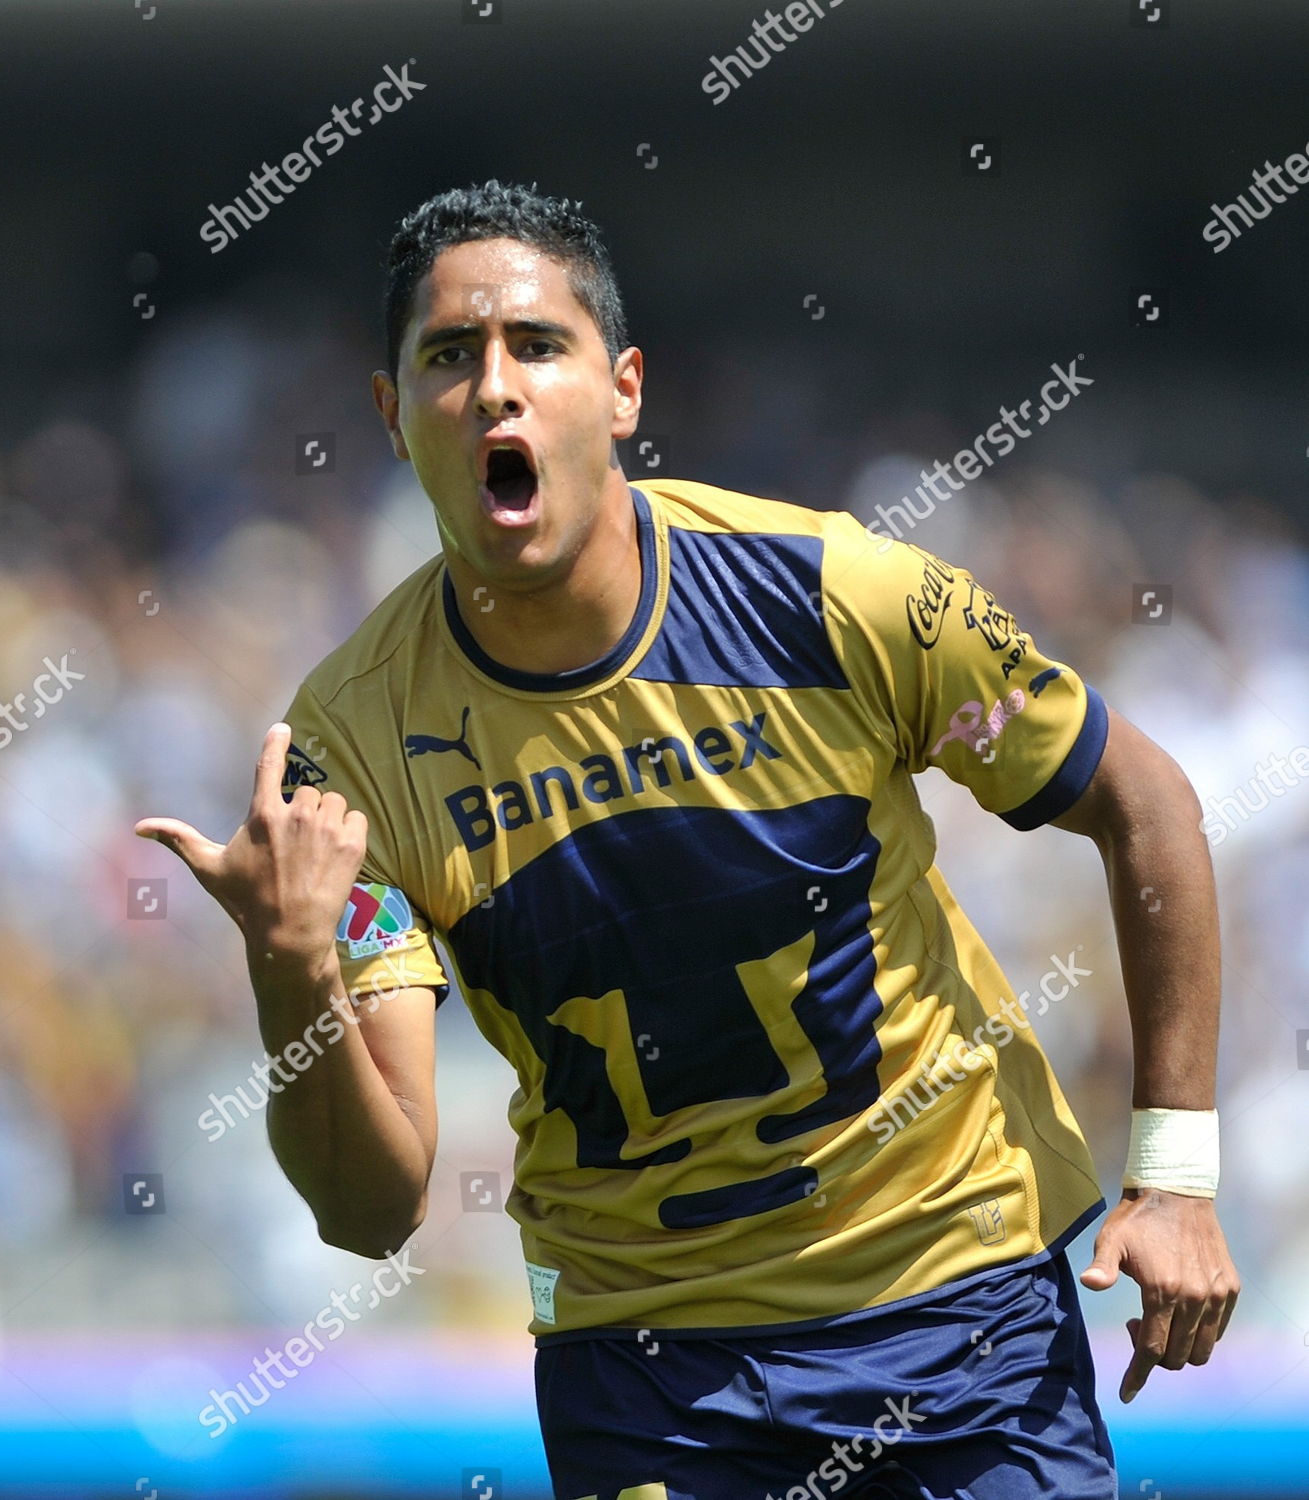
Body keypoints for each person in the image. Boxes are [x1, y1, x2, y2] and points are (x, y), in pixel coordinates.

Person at [136, 179, 1239, 1500]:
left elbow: (1147, 806)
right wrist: (289, 968)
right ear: (390, 415)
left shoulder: (843, 596)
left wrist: (1171, 1180)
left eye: (537, 346)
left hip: (960, 1315)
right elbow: (370, 1213)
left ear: (623, 392)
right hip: (650, 1380)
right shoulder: (344, 760)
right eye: (447, 356)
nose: (495, 389)